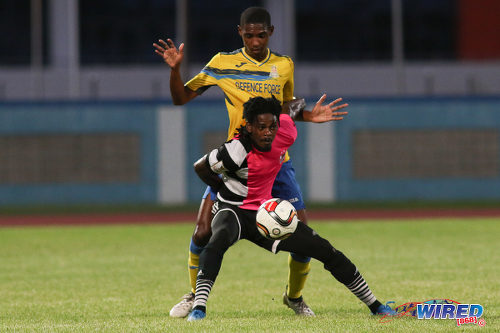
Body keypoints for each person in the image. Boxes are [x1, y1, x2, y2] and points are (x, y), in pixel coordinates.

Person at [153, 6, 347, 318]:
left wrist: (310, 115)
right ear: (239, 33)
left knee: (302, 235)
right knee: (203, 232)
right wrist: (175, 69)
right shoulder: (222, 63)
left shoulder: (283, 65)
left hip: (277, 163)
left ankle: (294, 297)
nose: (255, 40)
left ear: (270, 33)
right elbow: (180, 98)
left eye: (260, 34)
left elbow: (285, 107)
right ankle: (194, 294)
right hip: (236, 164)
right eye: (249, 35)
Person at [186, 96, 395, 321]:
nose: (268, 132)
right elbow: (200, 167)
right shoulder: (234, 151)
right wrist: (222, 189)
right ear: (249, 127)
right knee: (216, 243)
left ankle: (376, 305)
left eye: (272, 126)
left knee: (324, 249)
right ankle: (199, 308)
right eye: (261, 127)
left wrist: (305, 112)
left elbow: (291, 110)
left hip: (266, 213)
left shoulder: (285, 131)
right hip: (232, 209)